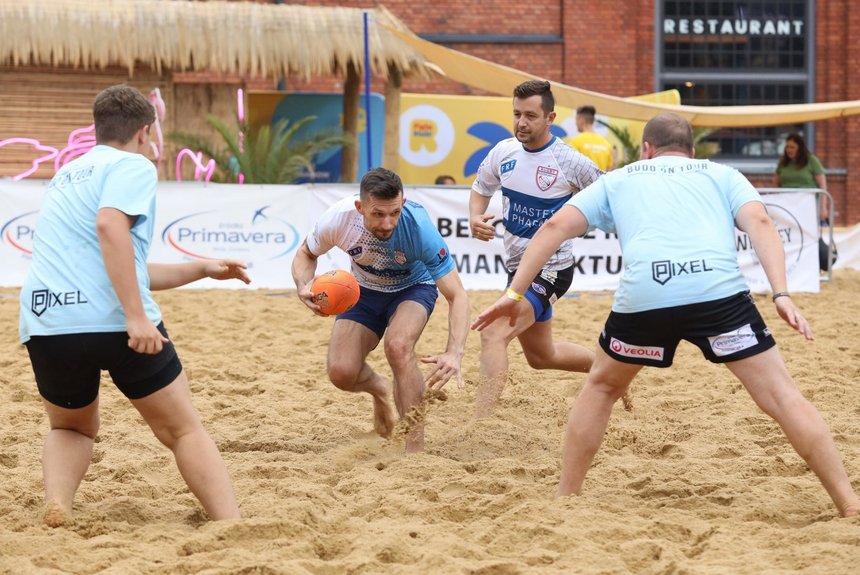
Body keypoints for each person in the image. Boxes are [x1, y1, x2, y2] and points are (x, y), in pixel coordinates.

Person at [473, 112, 860, 518]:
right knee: (783, 397)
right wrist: (781, 293)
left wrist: (514, 293)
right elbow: (761, 222)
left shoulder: (621, 178)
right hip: (717, 294)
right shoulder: (720, 174)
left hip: (646, 295)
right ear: (692, 151)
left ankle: (566, 498)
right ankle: (848, 503)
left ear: (646, 149)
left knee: (602, 389)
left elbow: (554, 226)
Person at [18, 85, 249, 527]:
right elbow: (111, 227)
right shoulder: (133, 166)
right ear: (145, 132)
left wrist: (201, 268)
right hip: (116, 323)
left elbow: (126, 264)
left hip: (49, 320)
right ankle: (230, 523)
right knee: (182, 429)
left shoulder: (68, 173)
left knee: (71, 426)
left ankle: (59, 506)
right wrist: (136, 315)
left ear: (96, 129)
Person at [292, 167, 469, 453]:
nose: (388, 223)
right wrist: (303, 285)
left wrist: (454, 352)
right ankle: (378, 387)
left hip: (413, 288)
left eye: (394, 213)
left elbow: (458, 295)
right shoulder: (339, 220)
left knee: (398, 347)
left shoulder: (419, 228)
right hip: (361, 291)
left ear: (403, 203)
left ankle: (414, 449)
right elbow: (306, 254)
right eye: (378, 214)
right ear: (360, 207)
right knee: (341, 373)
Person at [469, 80, 605, 418]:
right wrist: (474, 216)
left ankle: (478, 424)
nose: (521, 123)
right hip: (518, 269)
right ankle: (609, 370)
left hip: (552, 269)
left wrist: (583, 223)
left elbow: (610, 196)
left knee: (494, 333)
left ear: (550, 117)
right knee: (543, 357)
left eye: (530, 115)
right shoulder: (503, 152)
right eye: (516, 114)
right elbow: (480, 187)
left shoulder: (570, 162)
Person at [773, 132, 835, 271]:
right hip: (787, 207)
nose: (789, 150)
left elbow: (823, 185)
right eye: (787, 147)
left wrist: (823, 208)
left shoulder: (811, 160)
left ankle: (812, 268)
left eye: (792, 147)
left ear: (800, 148)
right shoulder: (783, 162)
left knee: (809, 236)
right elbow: (776, 183)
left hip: (808, 206)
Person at [569, 105, 615, 172]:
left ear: (581, 120)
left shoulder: (575, 142)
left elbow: (570, 167)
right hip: (601, 181)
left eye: (576, 119)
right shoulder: (607, 144)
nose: (576, 123)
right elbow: (609, 170)